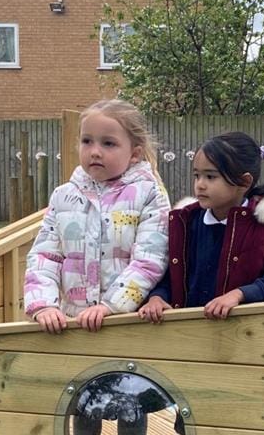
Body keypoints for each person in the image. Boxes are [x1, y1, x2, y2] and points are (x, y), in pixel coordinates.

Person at [24, 99, 170, 333]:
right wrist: (43, 306)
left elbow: (150, 259)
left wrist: (110, 306)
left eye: (108, 143)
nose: (95, 151)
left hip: (129, 323)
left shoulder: (149, 194)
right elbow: (44, 256)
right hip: (72, 322)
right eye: (87, 141)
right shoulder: (64, 197)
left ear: (134, 154)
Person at [138, 132, 264, 322]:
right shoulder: (185, 223)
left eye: (210, 176)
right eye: (197, 175)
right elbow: (169, 273)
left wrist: (239, 295)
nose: (200, 185)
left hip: (245, 336)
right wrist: (157, 297)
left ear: (245, 182)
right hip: (189, 334)